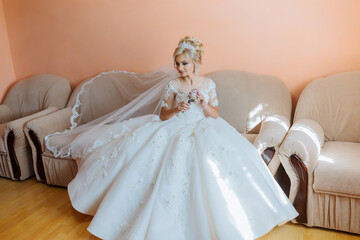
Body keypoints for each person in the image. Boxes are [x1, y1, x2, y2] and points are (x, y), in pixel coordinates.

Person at [47, 36, 298, 240]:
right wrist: (176, 110)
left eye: (184, 64)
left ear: (196, 62)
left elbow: (214, 113)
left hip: (205, 127)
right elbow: (163, 115)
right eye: (177, 63)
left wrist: (202, 102)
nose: (179, 68)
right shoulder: (173, 86)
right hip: (173, 126)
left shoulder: (208, 84)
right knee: (147, 154)